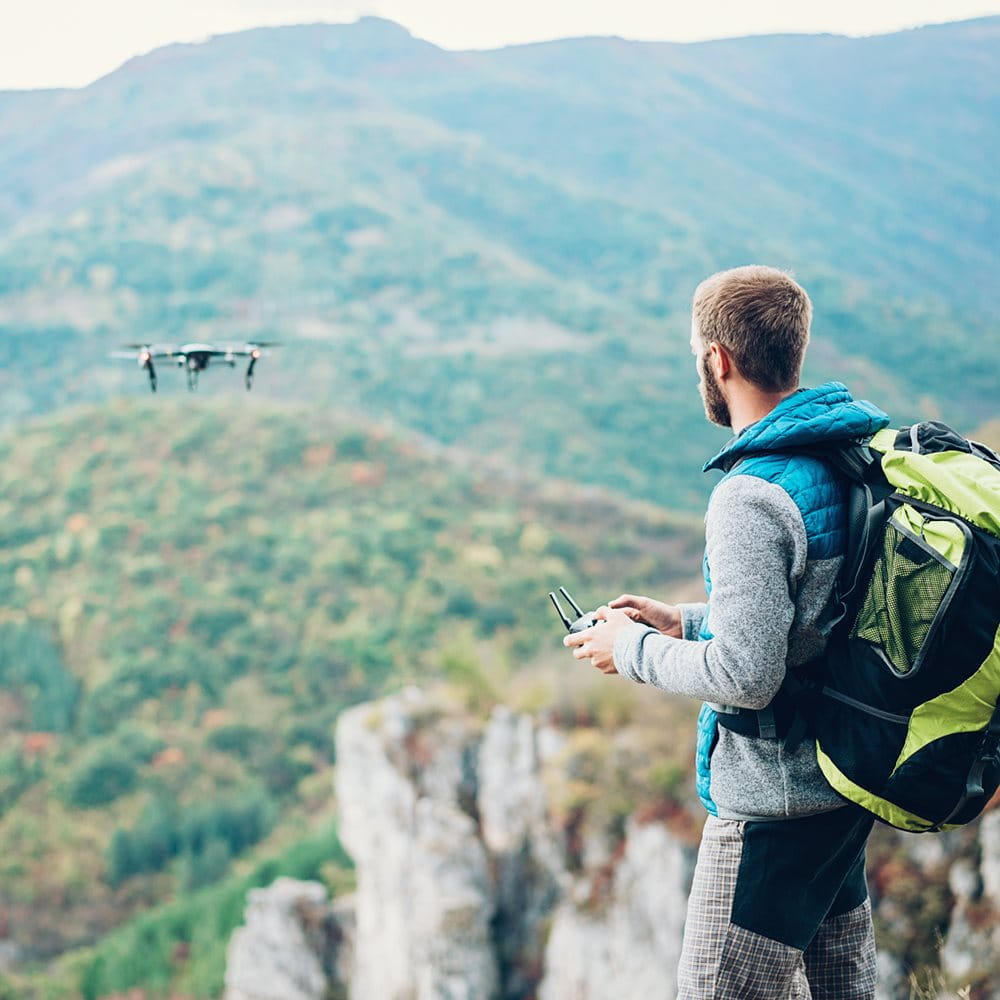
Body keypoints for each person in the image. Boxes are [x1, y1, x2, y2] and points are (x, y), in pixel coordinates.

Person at [564, 265, 890, 1000]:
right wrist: (683, 621)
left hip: (771, 806)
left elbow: (747, 676)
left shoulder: (750, 495)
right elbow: (817, 615)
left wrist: (631, 650)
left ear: (719, 359)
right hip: (839, 788)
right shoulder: (847, 457)